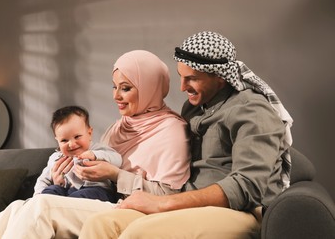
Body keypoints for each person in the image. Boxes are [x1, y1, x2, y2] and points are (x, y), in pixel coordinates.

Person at [78, 31, 294, 239]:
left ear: (220, 77)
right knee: (101, 224)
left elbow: (247, 187)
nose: (182, 87)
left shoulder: (252, 111)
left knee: (140, 234)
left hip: (240, 211)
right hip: (191, 204)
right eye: (181, 77)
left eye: (192, 79)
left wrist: (163, 203)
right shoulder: (194, 108)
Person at [0, 50, 191, 239]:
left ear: (150, 87)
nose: (115, 96)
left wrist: (116, 174)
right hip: (94, 202)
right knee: (20, 206)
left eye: (126, 88)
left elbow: (169, 195)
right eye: (114, 86)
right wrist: (59, 180)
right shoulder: (119, 127)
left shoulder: (171, 130)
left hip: (130, 210)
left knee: (43, 208)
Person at [36, 105, 122, 203]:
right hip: (67, 191)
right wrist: (38, 195)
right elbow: (43, 180)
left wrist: (95, 155)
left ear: (89, 133)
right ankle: (38, 205)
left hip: (97, 190)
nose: (72, 144)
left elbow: (118, 160)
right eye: (64, 140)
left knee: (78, 197)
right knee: (51, 191)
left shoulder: (96, 150)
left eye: (77, 137)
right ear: (57, 141)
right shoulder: (56, 158)